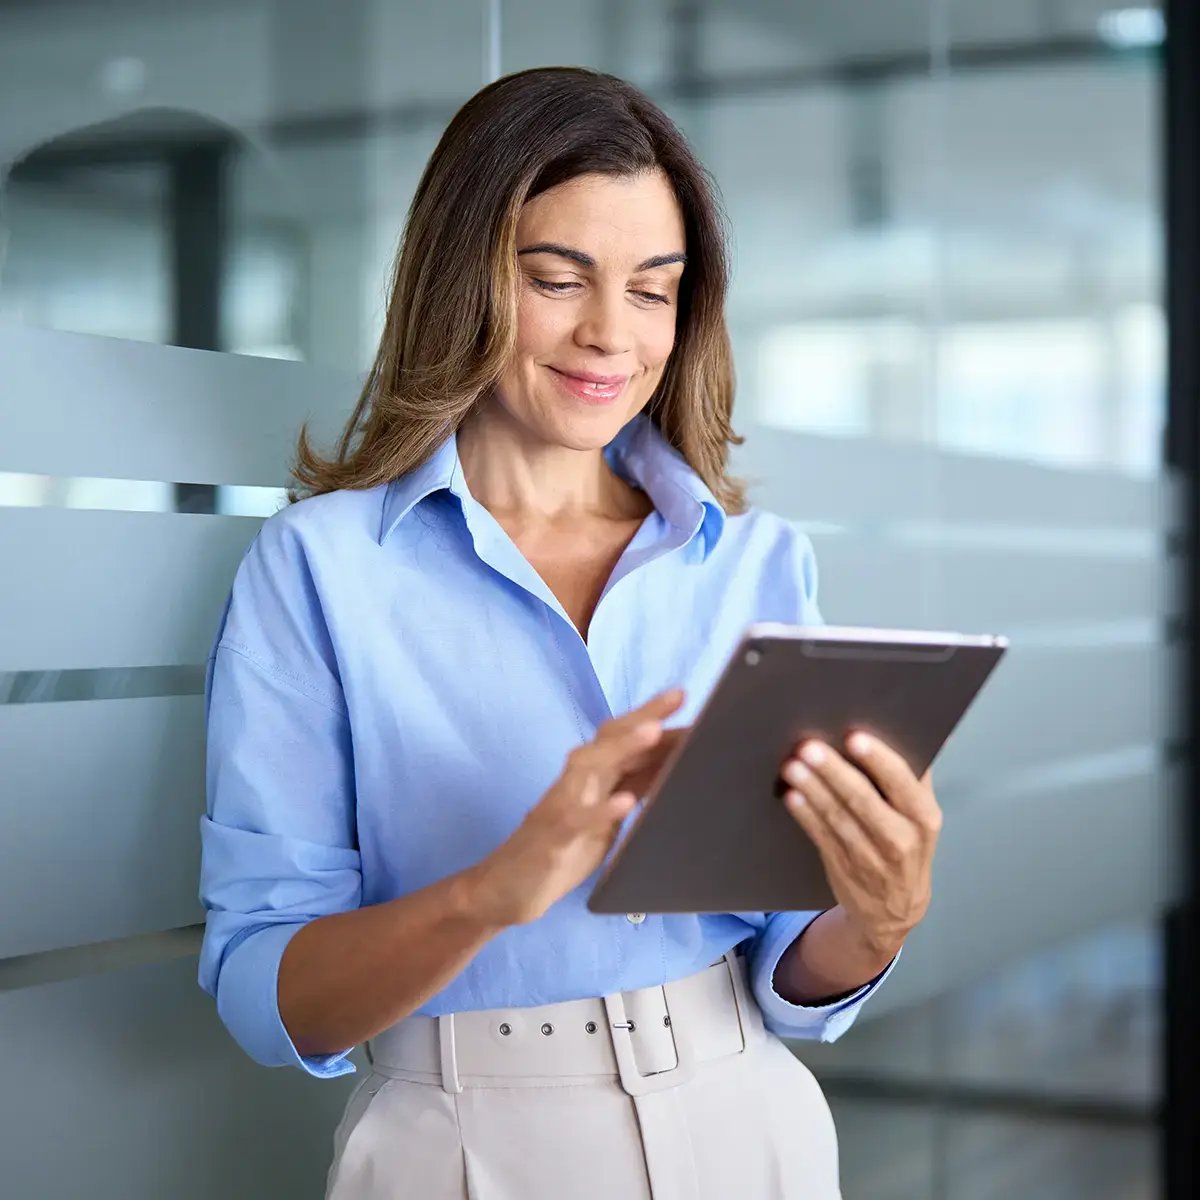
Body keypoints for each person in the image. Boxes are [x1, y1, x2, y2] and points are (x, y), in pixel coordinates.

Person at [198, 66, 942, 1200]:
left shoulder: (755, 562)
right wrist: (489, 894)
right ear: (465, 282)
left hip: (749, 1117)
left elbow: (795, 960)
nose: (611, 333)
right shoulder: (321, 570)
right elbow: (264, 988)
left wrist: (876, 919)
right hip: (458, 1142)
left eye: (655, 289)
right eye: (558, 278)